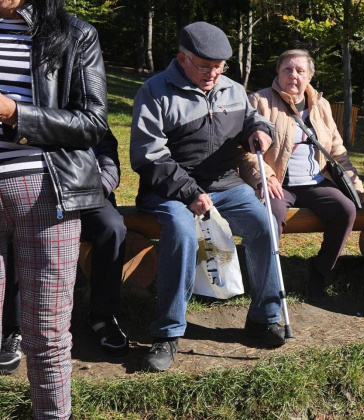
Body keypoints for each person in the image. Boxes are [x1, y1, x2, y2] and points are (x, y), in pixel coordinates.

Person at [130, 21, 285, 373]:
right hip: (169, 190)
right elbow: (147, 155)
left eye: (219, 67)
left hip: (225, 184)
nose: (213, 74)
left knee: (264, 223)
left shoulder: (231, 88)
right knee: (183, 234)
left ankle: (265, 315)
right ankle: (167, 333)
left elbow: (253, 120)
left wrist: (259, 132)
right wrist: (189, 193)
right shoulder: (155, 91)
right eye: (204, 66)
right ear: (182, 59)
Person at [0, 0, 108, 418]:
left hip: (47, 191)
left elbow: (93, 122)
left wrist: (14, 112)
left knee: (46, 333)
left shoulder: (74, 34)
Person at [239, 49, 364, 302]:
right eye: (287, 69)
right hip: (278, 183)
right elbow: (245, 151)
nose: (293, 75)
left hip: (315, 183)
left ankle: (319, 274)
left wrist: (355, 184)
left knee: (346, 210)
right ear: (278, 72)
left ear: (310, 76)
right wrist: (265, 177)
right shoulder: (258, 102)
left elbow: (337, 151)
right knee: (271, 216)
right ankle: (266, 283)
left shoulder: (322, 105)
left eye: (300, 71)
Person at [0, 131, 128, 377]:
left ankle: (103, 315)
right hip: (40, 193)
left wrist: (100, 186)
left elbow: (108, 153)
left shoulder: (83, 103)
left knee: (112, 228)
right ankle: (14, 327)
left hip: (87, 191)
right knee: (21, 225)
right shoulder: (35, 108)